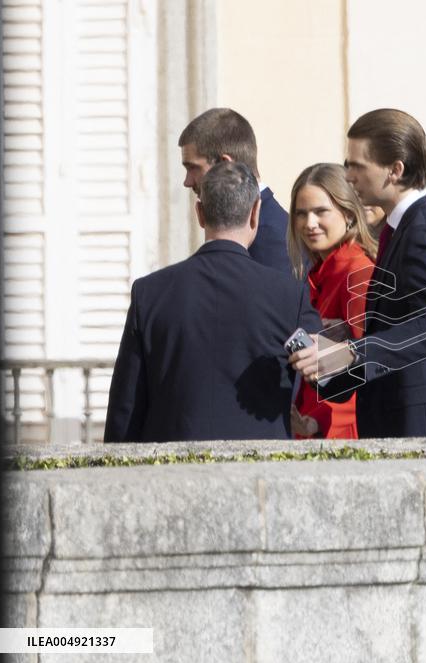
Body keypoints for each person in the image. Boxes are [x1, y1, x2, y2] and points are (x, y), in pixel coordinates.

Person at [289, 109, 426, 438]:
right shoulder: (400, 230)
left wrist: (353, 351)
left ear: (395, 170)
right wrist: (344, 343)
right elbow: (402, 325)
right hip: (402, 423)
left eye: (357, 166)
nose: (349, 177)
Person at [104, 162, 321, 442]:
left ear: (200, 213)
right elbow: (329, 379)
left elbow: (126, 408)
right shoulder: (290, 295)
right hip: (261, 462)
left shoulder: (149, 292)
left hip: (172, 461)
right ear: (255, 212)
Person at [287, 163, 377, 439]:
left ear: (348, 213)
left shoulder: (357, 272)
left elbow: (366, 365)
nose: (309, 223)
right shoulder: (320, 274)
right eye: (301, 213)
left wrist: (318, 422)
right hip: (313, 428)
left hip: (340, 436)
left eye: (320, 211)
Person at [178, 108, 291, 274]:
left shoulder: (270, 236)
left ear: (225, 164)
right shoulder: (267, 225)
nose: (187, 182)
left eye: (193, 168)